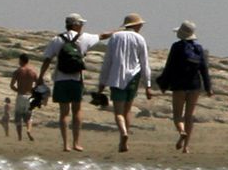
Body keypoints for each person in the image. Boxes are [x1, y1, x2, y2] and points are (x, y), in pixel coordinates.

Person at [39, 13, 107, 153]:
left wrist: (40, 77)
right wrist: (120, 30)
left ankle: (65, 145)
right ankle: (76, 143)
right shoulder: (84, 38)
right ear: (75, 24)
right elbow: (103, 36)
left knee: (64, 113)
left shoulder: (56, 39)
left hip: (60, 80)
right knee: (77, 111)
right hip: (76, 80)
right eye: (81, 24)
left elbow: (47, 59)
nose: (82, 26)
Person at [95, 13, 154, 153]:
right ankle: (124, 142)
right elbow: (145, 63)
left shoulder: (115, 37)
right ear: (136, 25)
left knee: (118, 112)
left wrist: (102, 82)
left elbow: (107, 61)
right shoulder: (140, 39)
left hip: (116, 77)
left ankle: (123, 133)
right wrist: (148, 85)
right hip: (133, 77)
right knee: (127, 110)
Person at [158, 20, 213, 153]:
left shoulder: (176, 47)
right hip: (195, 85)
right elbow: (204, 69)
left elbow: (169, 67)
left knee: (177, 115)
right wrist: (208, 87)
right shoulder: (198, 48)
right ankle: (186, 146)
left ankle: (182, 131)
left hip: (179, 85)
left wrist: (164, 84)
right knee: (189, 115)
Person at [9, 53, 39, 141]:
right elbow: (38, 84)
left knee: (18, 117)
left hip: (21, 95)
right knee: (29, 117)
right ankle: (29, 130)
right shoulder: (33, 71)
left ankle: (19, 137)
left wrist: (18, 90)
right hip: (29, 96)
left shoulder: (18, 71)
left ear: (21, 60)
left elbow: (12, 85)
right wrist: (33, 89)